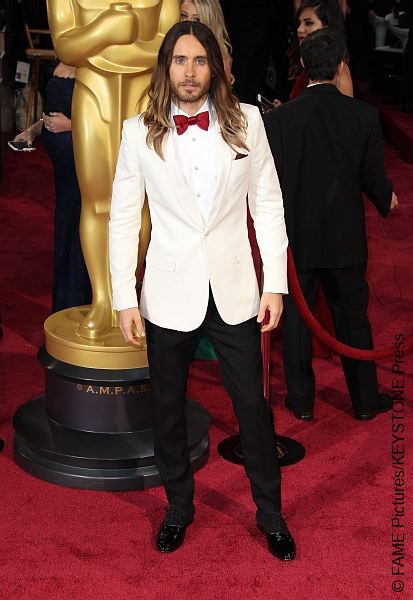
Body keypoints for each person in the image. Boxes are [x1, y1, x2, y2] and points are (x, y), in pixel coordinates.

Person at [109, 21, 295, 560]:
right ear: (165, 67)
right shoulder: (136, 132)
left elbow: (268, 204)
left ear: (214, 67)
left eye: (199, 61)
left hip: (235, 287)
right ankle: (178, 506)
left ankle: (270, 513)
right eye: (179, 61)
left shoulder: (249, 124)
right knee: (166, 409)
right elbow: (122, 220)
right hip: (168, 290)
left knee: (252, 408)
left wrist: (275, 284)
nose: (189, 72)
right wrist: (125, 295)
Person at [264, 29, 398, 422]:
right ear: (342, 65)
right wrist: (385, 200)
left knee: (296, 324)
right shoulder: (364, 115)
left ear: (304, 67)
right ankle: (365, 401)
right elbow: (374, 179)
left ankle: (301, 402)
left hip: (297, 240)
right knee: (354, 320)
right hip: (345, 242)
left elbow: (269, 182)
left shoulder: (281, 119)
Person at [47, 0, 179, 339]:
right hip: (93, 94)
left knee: (142, 203)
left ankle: (127, 299)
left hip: (144, 97)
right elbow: (65, 45)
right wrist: (106, 29)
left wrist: (97, 48)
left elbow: (167, 45)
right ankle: (103, 300)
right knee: (96, 202)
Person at [14, 61, 92, 313]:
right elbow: (53, 113)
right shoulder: (57, 63)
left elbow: (111, 119)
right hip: (62, 166)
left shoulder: (96, 65)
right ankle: (64, 307)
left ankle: (80, 306)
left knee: (81, 230)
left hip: (85, 160)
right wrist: (33, 130)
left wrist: (71, 126)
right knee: (66, 228)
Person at [288, 0, 353, 100]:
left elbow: (344, 112)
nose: (299, 29)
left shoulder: (340, 69)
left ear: (327, 26)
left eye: (309, 23)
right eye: (299, 23)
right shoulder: (306, 61)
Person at [180, 0, 233, 82]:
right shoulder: (166, 51)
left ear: (209, 23)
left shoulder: (219, 62)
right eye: (183, 16)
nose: (188, 23)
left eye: (197, 19)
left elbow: (222, 94)